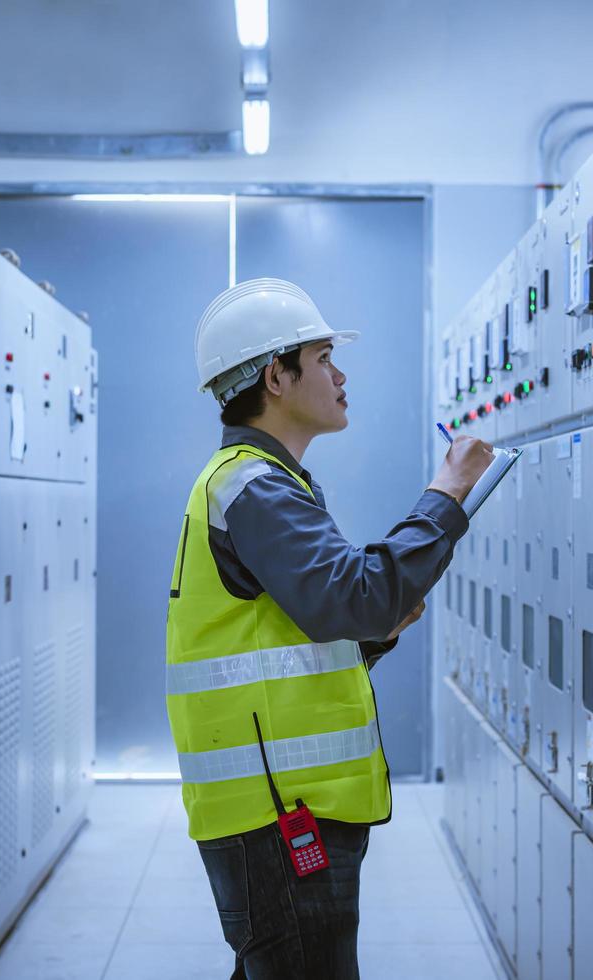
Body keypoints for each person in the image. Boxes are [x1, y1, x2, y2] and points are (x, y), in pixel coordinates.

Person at [165, 278, 494, 979]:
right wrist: (448, 494)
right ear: (275, 377)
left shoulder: (263, 481)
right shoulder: (252, 485)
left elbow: (303, 625)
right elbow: (354, 597)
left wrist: (372, 627)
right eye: (322, 359)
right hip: (279, 809)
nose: (340, 376)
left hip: (281, 801)